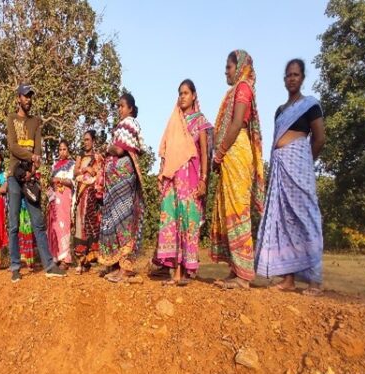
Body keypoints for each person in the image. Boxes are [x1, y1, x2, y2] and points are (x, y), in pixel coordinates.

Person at [255, 59, 326, 296]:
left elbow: (319, 139)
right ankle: (288, 279)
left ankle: (314, 281)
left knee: (306, 218)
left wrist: (304, 161)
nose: (292, 78)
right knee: (284, 221)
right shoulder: (280, 110)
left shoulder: (310, 105)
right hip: (280, 169)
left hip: (299, 166)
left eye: (296, 74)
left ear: (303, 78)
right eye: (288, 75)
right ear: (284, 79)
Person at [211, 50, 265, 290]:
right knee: (228, 207)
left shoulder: (243, 89)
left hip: (237, 150)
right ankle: (236, 269)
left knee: (238, 208)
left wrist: (220, 152)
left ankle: (244, 275)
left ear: (239, 67)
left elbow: (236, 123)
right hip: (230, 153)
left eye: (229, 66)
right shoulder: (235, 91)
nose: (226, 71)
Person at [5, 83, 66, 282]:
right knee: (14, 224)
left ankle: (49, 264)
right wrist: (31, 157)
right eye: (25, 96)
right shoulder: (11, 119)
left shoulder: (36, 122)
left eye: (30, 96)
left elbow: (38, 149)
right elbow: (13, 147)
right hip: (15, 177)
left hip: (31, 178)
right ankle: (15, 267)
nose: (28, 99)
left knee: (38, 223)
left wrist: (34, 166)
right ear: (18, 99)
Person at [154, 79, 212, 285]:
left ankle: (187, 271)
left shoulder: (200, 121)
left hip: (191, 179)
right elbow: (167, 150)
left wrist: (204, 179)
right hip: (173, 179)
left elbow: (205, 153)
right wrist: (161, 173)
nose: (182, 96)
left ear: (194, 95)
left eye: (186, 93)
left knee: (188, 222)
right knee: (172, 220)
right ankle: (176, 274)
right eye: (180, 93)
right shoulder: (174, 122)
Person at [99, 93, 146, 283]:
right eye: (118, 106)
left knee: (124, 221)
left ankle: (126, 269)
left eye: (122, 106)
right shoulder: (121, 126)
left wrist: (107, 148)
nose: (119, 109)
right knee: (118, 220)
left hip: (123, 180)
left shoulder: (129, 124)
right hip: (116, 181)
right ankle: (120, 267)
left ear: (131, 109)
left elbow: (118, 150)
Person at [73, 130, 103, 274]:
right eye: (84, 140)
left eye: (88, 140)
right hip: (81, 192)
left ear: (93, 141)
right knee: (80, 222)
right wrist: (85, 169)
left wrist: (93, 171)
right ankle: (80, 260)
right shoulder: (80, 156)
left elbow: (100, 174)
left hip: (92, 193)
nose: (85, 142)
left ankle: (89, 260)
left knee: (90, 222)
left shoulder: (97, 157)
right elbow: (75, 172)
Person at [47, 140, 75, 270]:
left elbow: (72, 182)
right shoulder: (55, 165)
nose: (62, 152)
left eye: (64, 149)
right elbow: (51, 181)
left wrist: (60, 180)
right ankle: (56, 256)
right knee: (55, 226)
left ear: (68, 150)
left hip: (65, 198)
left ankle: (66, 258)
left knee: (64, 225)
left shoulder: (72, 164)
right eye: (60, 149)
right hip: (55, 198)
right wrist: (53, 181)